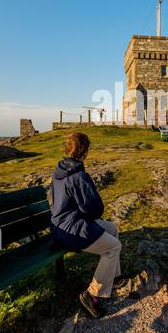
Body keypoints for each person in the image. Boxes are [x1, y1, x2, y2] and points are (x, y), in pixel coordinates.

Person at [50, 132, 127, 318]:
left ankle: (113, 277)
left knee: (113, 229)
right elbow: (94, 209)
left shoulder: (60, 169)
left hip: (62, 225)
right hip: (72, 230)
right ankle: (92, 294)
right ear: (84, 151)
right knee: (113, 248)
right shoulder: (78, 175)